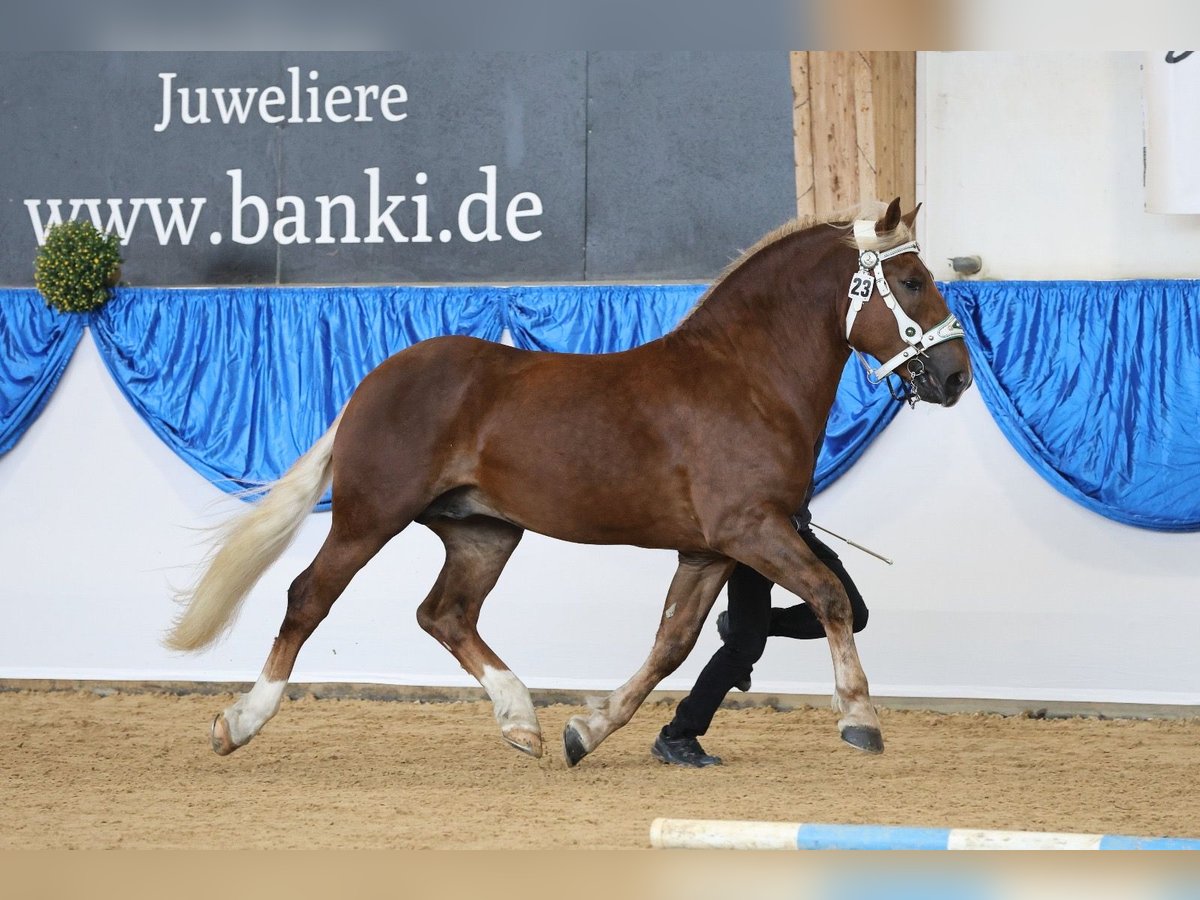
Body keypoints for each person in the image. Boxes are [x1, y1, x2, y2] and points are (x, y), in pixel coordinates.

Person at [651, 495, 870, 768]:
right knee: (744, 647)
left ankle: (742, 624)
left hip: (795, 535)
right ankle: (677, 735)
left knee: (854, 614)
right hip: (753, 541)